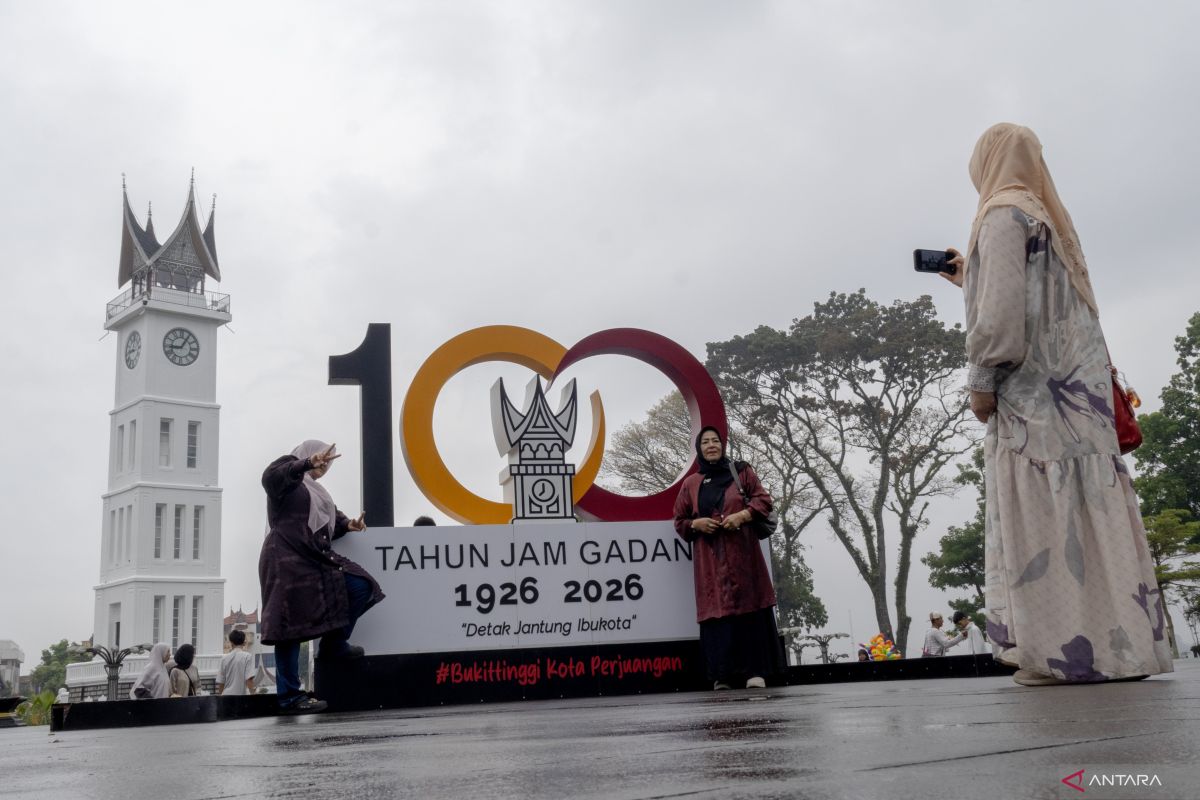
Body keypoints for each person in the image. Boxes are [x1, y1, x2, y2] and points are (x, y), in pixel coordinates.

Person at [942, 123, 1173, 686]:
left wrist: (981, 382)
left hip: (1035, 402)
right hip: (1080, 401)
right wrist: (969, 277)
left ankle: (1053, 654)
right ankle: (1121, 648)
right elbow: (1040, 301)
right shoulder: (1047, 217)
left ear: (986, 162)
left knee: (1047, 523)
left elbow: (1000, 320)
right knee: (1089, 521)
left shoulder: (999, 215)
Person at [260, 440, 385, 713]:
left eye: (329, 463)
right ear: (307, 455)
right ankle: (290, 698)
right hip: (286, 557)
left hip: (315, 557)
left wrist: (349, 525)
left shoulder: (318, 492)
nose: (325, 466)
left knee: (360, 586)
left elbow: (330, 523)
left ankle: (333, 644)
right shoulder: (288, 478)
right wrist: (304, 463)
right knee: (288, 627)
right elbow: (269, 478)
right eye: (322, 460)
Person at [673, 426, 780, 690]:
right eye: (705, 442)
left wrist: (741, 516)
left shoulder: (742, 471)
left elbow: (763, 501)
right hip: (710, 564)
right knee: (717, 616)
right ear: (698, 449)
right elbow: (679, 520)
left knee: (750, 611)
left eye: (715, 441)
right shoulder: (691, 484)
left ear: (723, 445)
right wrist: (697, 524)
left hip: (744, 558)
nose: (711, 445)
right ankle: (723, 676)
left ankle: (756, 672)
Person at [217, 629, 255, 696]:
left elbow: (221, 683)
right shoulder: (247, 656)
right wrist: (253, 694)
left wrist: (220, 698)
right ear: (244, 642)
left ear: (231, 642)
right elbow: (249, 679)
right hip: (240, 697)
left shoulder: (224, 658)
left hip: (226, 696)